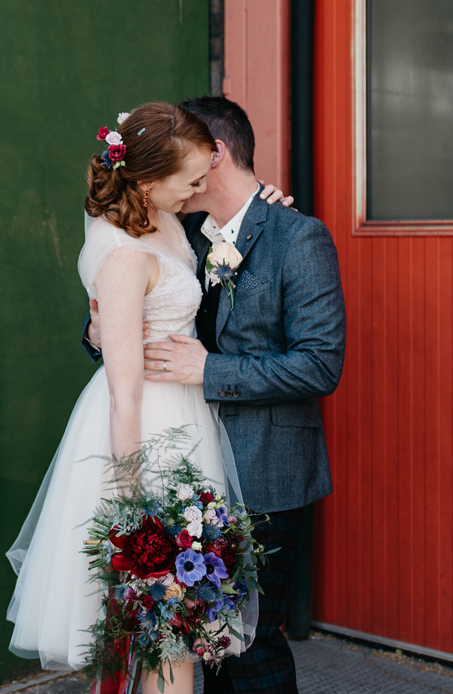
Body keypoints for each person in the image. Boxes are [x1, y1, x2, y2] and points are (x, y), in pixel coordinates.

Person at [88, 96, 346, 694]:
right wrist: (100, 328)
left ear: (214, 155)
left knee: (247, 647)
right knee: (193, 641)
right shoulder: (183, 235)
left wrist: (211, 370)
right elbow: (144, 307)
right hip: (188, 466)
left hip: (265, 470)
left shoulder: (297, 237)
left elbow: (319, 365)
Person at [5, 102, 252, 694]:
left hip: (188, 419)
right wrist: (131, 498)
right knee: (161, 626)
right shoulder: (122, 255)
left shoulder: (170, 218)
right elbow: (122, 393)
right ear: (145, 180)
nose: (201, 188)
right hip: (141, 432)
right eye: (192, 179)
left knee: (176, 630)